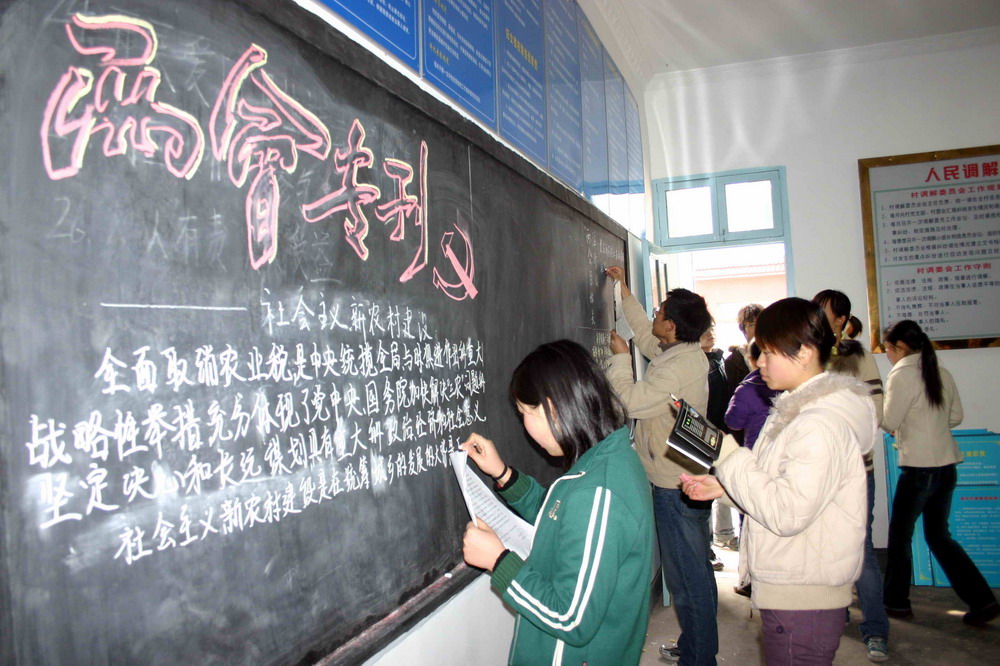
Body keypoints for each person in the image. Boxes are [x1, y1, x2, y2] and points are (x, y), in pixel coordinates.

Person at [680, 297, 877, 666]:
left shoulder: (818, 424)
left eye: (768, 353)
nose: (759, 362)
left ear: (804, 353)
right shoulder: (795, 409)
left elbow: (787, 513)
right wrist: (726, 489)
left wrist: (728, 455)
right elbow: (779, 487)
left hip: (803, 597)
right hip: (793, 584)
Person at [460, 340, 655, 665]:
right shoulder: (604, 461)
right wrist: (503, 474)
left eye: (524, 413)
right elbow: (562, 520)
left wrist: (498, 561)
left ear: (552, 409)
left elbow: (570, 618)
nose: (524, 425)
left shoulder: (598, 492)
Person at [603, 266, 715, 666]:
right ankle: (696, 646)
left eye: (660, 312)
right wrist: (624, 292)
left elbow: (632, 402)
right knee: (694, 571)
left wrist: (620, 360)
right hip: (683, 477)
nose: (655, 315)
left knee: (686, 577)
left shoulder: (676, 367)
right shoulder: (683, 352)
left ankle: (699, 658)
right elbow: (646, 335)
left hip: (675, 485)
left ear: (672, 325)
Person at [881, 320, 999, 627]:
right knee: (939, 536)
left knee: (900, 537)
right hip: (946, 465)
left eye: (888, 349)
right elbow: (955, 416)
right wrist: (928, 425)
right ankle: (983, 601)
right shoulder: (940, 371)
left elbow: (889, 420)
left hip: (919, 468)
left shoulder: (902, 374)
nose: (888, 355)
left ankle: (896, 603)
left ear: (900, 347)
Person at [812, 289, 889, 662]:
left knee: (861, 550)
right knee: (827, 545)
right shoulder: (812, 352)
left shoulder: (856, 355)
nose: (817, 316)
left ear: (842, 320)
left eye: (824, 312)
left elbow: (875, 410)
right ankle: (837, 612)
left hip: (856, 470)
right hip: (820, 469)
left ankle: (876, 630)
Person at [723, 340, 782, 599]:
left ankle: (751, 580)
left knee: (750, 518)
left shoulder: (748, 388)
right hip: (780, 462)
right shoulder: (790, 386)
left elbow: (733, 421)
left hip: (755, 458)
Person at [701, 325, 737, 556]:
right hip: (705, 435)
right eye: (704, 330)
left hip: (721, 434)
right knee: (705, 491)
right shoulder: (697, 365)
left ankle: (721, 536)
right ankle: (707, 546)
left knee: (720, 485)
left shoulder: (718, 359)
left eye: (712, 328)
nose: (710, 333)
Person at [725, 303, 764, 396]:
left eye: (761, 323)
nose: (757, 328)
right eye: (752, 324)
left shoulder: (776, 354)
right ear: (743, 329)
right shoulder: (732, 361)